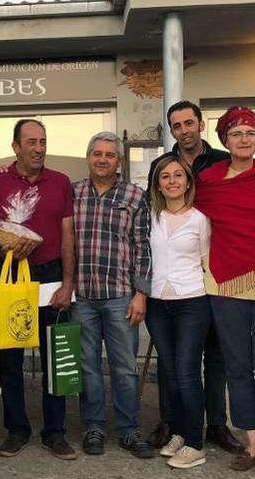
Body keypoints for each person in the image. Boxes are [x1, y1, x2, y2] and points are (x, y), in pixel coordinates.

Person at [193, 106, 255, 475]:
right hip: (227, 282)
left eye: (250, 133)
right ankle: (251, 440)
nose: (244, 139)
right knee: (237, 364)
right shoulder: (207, 181)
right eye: (236, 133)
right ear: (224, 139)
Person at [146, 100, 243, 454]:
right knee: (172, 364)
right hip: (164, 292)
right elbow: (150, 228)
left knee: (213, 359)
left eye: (189, 123)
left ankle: (215, 425)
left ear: (201, 124)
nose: (184, 130)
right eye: (177, 125)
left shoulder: (221, 162)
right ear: (171, 130)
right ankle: (174, 425)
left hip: (204, 285)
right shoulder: (161, 165)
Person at [0, 119, 77, 460]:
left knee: (55, 357)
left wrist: (68, 283)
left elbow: (68, 235)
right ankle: (16, 429)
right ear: (16, 146)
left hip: (51, 273)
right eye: (32, 142)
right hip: (10, 273)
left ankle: (55, 432)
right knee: (11, 358)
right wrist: (6, 249)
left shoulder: (61, 182)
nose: (39, 148)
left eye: (43, 141)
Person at [71, 132, 153, 459]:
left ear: (119, 161)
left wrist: (141, 294)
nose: (103, 159)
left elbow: (143, 248)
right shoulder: (73, 193)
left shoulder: (135, 196)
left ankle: (129, 430)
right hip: (82, 296)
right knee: (87, 367)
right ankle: (93, 427)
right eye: (97, 153)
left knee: (124, 367)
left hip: (121, 295)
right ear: (88, 157)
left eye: (109, 154)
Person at [145, 155, 212, 469]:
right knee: (169, 372)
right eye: (165, 176)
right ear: (158, 184)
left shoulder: (200, 219)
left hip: (192, 302)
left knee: (186, 372)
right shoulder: (150, 217)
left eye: (177, 175)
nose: (171, 181)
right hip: (158, 304)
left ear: (188, 181)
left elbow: (207, 262)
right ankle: (179, 433)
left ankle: (196, 443)